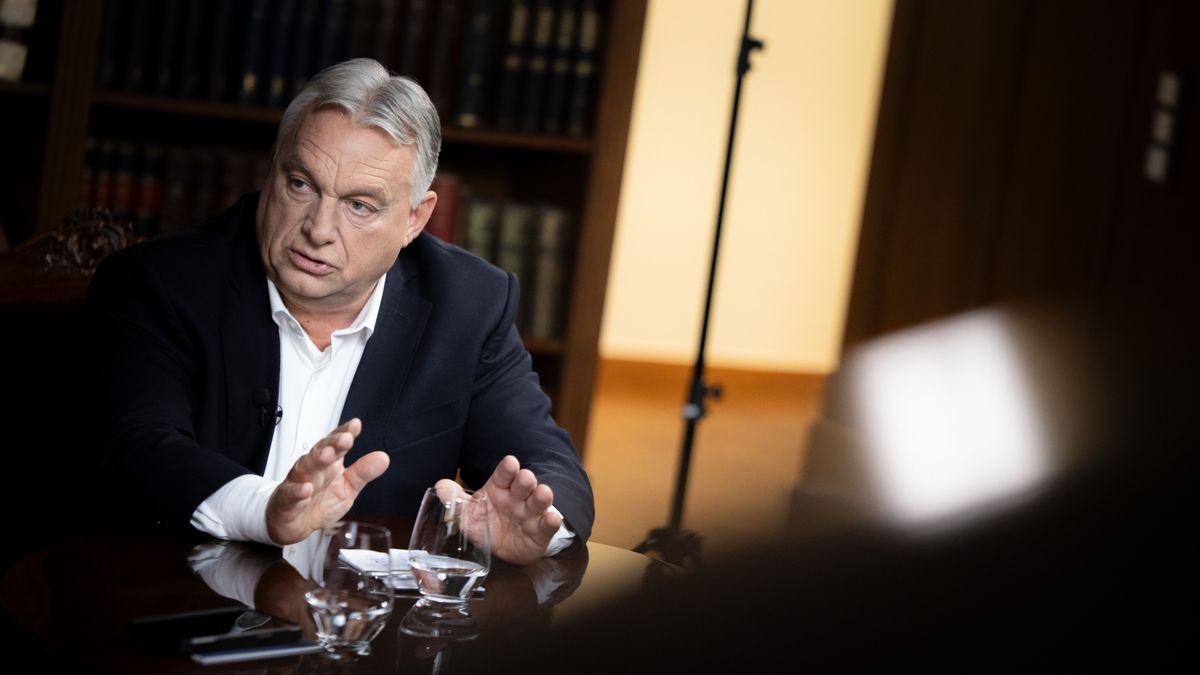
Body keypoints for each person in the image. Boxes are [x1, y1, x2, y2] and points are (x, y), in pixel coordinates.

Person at [85, 58, 593, 565]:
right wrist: (265, 510)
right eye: (301, 184)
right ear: (273, 168)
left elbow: (547, 461)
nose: (319, 229)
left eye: (360, 206)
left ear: (415, 220)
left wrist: (537, 524)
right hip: (181, 594)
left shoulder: (469, 304)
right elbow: (139, 446)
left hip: (361, 610)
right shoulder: (162, 282)